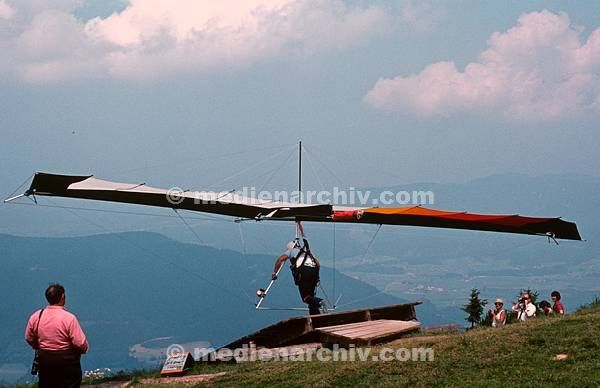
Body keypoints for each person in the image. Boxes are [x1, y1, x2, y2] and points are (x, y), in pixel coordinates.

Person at [25, 284, 89, 388]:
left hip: (45, 361)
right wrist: (82, 350)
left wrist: (38, 346)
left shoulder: (37, 316)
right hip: (67, 362)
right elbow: (81, 343)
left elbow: (28, 337)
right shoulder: (69, 318)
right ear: (63, 296)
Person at [272, 238, 322, 315]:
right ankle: (316, 316)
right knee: (311, 298)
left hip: (304, 272)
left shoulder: (291, 251)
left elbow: (280, 259)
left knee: (306, 297)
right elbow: (318, 264)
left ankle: (320, 302)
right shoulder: (306, 253)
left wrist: (274, 272)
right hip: (314, 273)